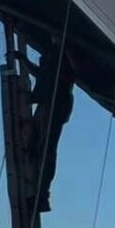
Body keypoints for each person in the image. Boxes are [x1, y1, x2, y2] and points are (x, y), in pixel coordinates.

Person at [29, 43, 77, 213]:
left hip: (55, 106)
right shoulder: (59, 59)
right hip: (54, 105)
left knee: (46, 148)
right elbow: (45, 76)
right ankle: (41, 193)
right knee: (44, 147)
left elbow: (48, 78)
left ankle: (42, 194)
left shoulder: (59, 59)